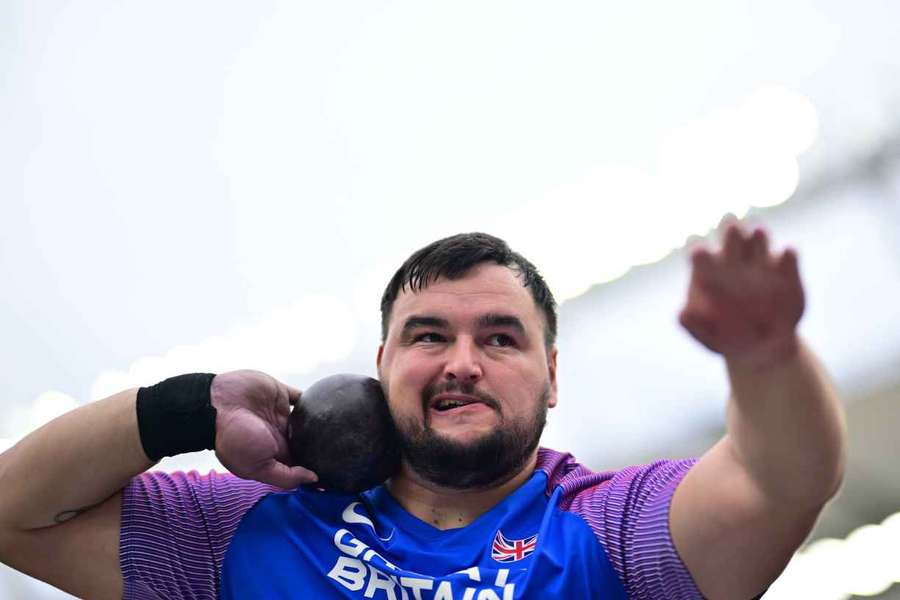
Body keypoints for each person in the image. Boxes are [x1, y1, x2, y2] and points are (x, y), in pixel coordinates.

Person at [0, 224, 846, 599]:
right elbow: (16, 513)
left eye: (502, 339)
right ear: (380, 367)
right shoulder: (250, 532)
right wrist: (189, 407)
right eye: (429, 336)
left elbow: (781, 481)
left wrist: (766, 356)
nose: (463, 364)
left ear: (552, 377)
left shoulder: (611, 537)